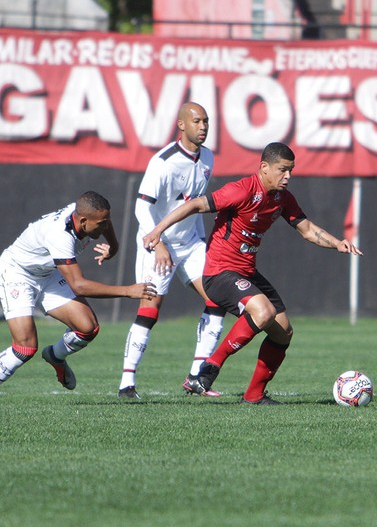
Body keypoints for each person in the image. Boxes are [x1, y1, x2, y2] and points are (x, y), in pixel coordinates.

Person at [142, 142, 362, 404]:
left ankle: (254, 395)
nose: (288, 176)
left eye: (291, 170)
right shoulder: (241, 190)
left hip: (246, 272)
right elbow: (195, 205)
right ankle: (206, 371)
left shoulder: (282, 198)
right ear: (264, 167)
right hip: (220, 273)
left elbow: (307, 230)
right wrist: (157, 231)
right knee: (263, 312)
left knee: (283, 332)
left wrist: (337, 243)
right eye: (282, 170)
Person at [0, 192, 156, 407]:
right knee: (25, 347)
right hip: (17, 274)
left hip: (47, 273)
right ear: (83, 221)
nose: (105, 226)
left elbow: (104, 220)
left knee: (87, 328)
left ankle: (55, 356)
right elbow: (79, 285)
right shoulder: (60, 235)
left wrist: (113, 247)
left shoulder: (86, 215)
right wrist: (128, 291)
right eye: (101, 224)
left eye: (106, 221)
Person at [118, 102, 222, 400]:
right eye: (197, 121)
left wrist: (201, 240)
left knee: (217, 299)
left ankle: (196, 377)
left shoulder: (208, 157)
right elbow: (142, 207)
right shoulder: (163, 162)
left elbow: (195, 204)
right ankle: (126, 383)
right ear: (181, 125)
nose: (203, 126)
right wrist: (158, 242)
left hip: (190, 245)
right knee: (150, 310)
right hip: (157, 246)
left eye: (206, 121)